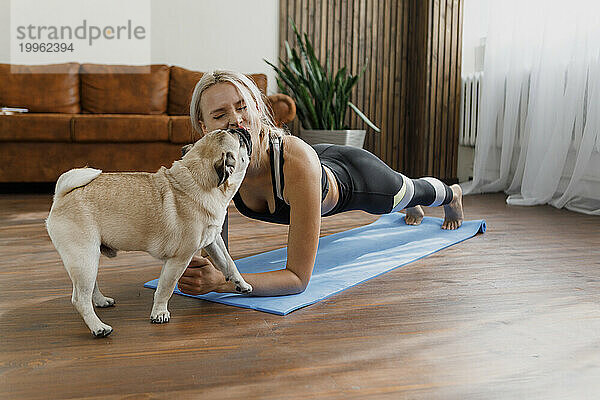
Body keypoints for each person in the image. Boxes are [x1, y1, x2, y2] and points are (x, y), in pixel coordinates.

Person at [177, 70, 464, 297]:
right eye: (219, 115)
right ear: (204, 128)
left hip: (355, 177)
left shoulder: (294, 162)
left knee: (409, 192)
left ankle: (452, 194)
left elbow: (297, 279)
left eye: (242, 108)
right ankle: (414, 203)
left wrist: (225, 283)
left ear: (257, 109)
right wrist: (202, 270)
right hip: (317, 161)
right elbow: (214, 253)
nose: (235, 121)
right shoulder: (208, 167)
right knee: (406, 198)